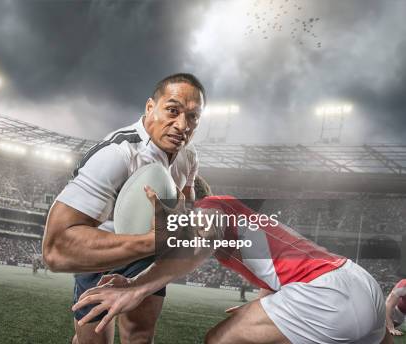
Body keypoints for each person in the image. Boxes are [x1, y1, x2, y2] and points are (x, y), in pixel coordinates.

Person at [74, 190, 393, 344]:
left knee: (219, 341)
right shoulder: (245, 223)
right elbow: (274, 270)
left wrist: (136, 286)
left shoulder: (209, 207)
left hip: (323, 296)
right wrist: (264, 302)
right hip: (362, 283)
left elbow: (203, 236)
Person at [43, 73, 205, 343]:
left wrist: (181, 218)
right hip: (101, 255)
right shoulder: (116, 154)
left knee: (140, 337)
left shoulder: (189, 157)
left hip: (146, 256)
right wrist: (153, 240)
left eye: (192, 117)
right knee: (91, 341)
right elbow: (56, 249)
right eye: (173, 111)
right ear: (150, 107)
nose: (182, 125)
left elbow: (186, 203)